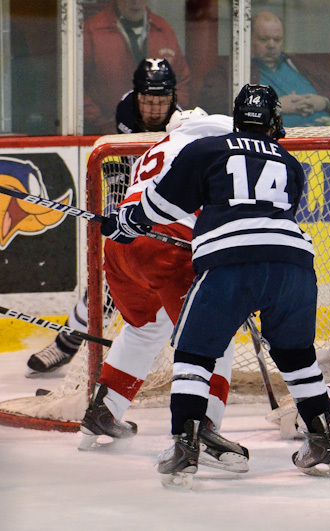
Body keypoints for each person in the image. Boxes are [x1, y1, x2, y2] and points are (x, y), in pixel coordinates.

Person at [101, 84, 330, 488]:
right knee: (298, 358)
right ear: (274, 121)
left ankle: (186, 446)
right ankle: (324, 445)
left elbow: (162, 206)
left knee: (193, 354)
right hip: (295, 264)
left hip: (230, 262)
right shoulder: (289, 162)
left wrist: (126, 223)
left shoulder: (208, 149)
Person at [78, 108, 249, 475]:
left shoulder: (155, 149)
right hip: (168, 245)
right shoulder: (221, 135)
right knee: (213, 336)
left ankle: (103, 411)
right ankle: (204, 429)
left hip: (122, 248)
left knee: (146, 328)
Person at [25, 58, 182, 377]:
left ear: (173, 98)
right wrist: (118, 213)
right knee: (111, 277)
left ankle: (185, 357)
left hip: (169, 210)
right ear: (137, 96)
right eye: (148, 100)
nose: (154, 109)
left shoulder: (182, 123)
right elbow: (120, 172)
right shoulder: (126, 111)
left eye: (161, 101)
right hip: (133, 201)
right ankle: (67, 344)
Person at [84, 0, 191, 134]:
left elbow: (182, 81)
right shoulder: (92, 29)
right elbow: (75, 86)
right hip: (105, 133)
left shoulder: (163, 28)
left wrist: (167, 119)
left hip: (160, 135)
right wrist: (102, 123)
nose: (135, 2)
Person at [249, 11, 330, 127]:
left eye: (277, 39)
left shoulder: (297, 64)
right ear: (249, 39)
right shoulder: (243, 70)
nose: (271, 45)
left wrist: (325, 102)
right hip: (282, 135)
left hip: (328, 130)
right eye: (263, 39)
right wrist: (275, 105)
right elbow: (240, 111)